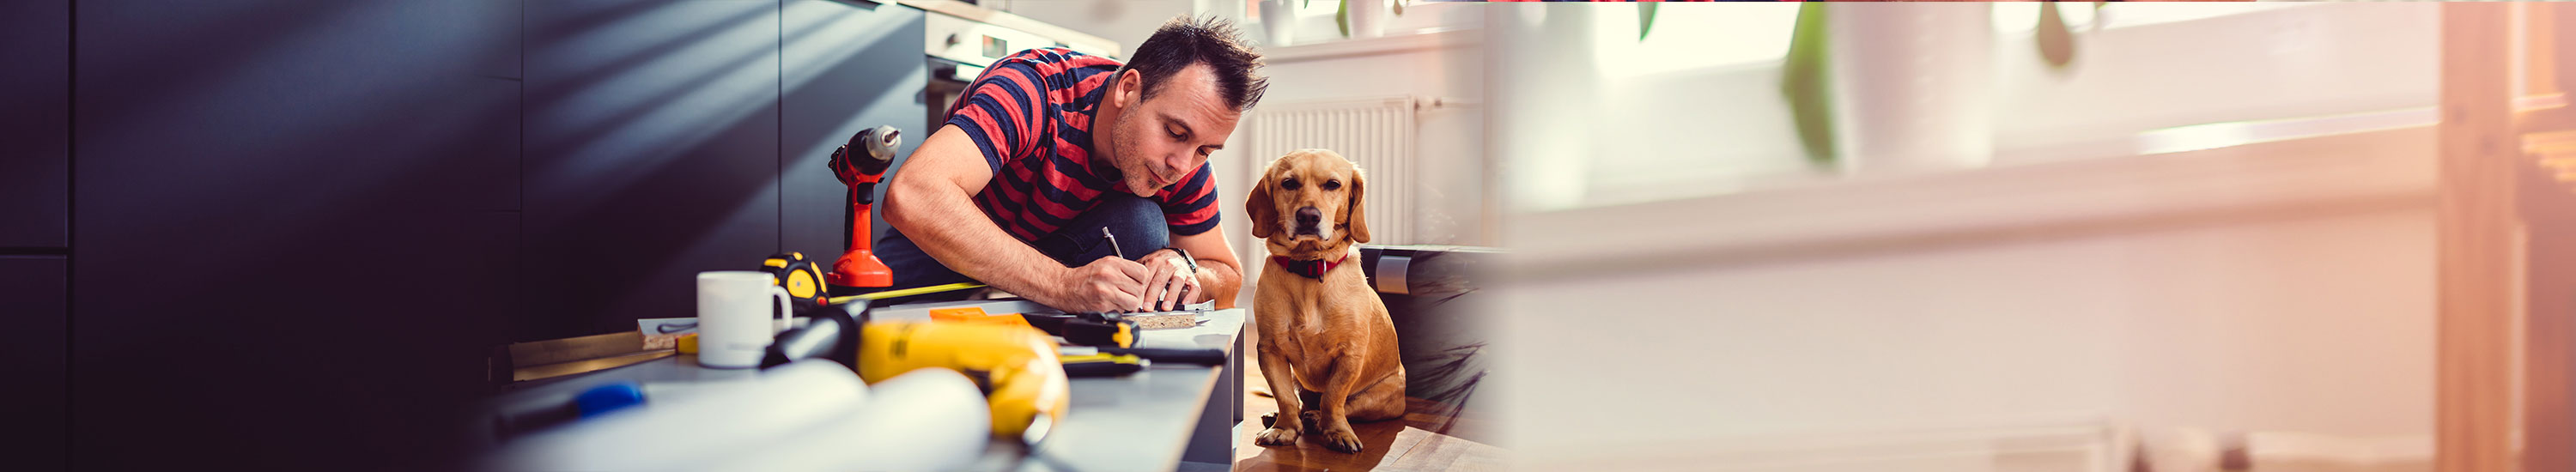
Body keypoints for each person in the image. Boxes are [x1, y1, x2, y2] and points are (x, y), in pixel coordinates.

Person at [879, 15, 1267, 313]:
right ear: (1128, 89)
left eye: (1205, 150)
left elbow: (1228, 276)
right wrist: (1062, 285)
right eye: (1175, 132)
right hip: (951, 243)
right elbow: (915, 194)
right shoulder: (1033, 90)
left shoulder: (1184, 159)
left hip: (1060, 261)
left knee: (1143, 223)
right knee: (852, 323)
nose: (1181, 165)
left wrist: (1186, 265)